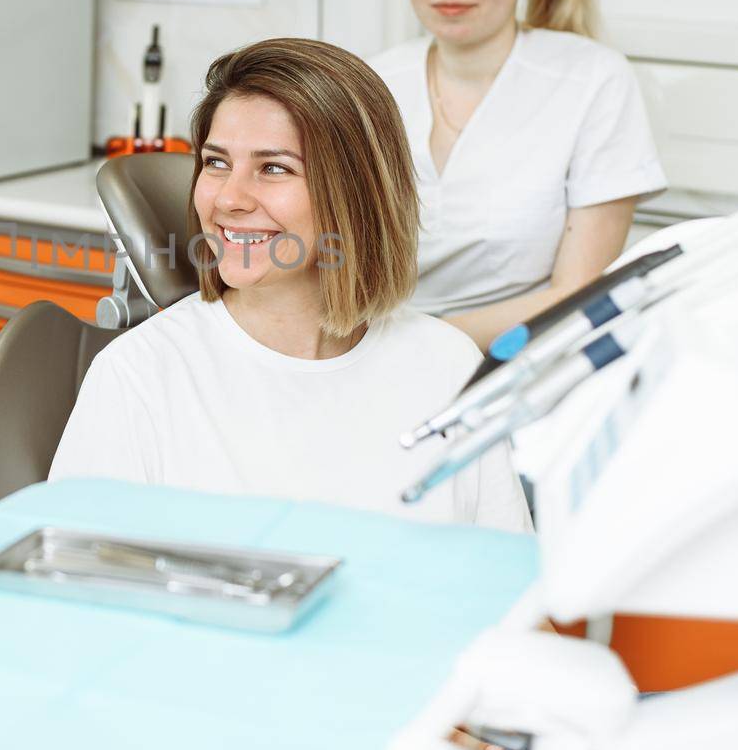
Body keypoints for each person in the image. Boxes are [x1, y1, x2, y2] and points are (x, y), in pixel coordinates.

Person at [50, 37, 531, 534]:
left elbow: (512, 594)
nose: (229, 199)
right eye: (216, 163)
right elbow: (66, 590)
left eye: (273, 168)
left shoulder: (447, 366)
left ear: (355, 192)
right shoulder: (141, 377)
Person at [370, 0, 668, 352]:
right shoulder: (372, 85)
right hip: (363, 358)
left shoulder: (592, 81)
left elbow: (577, 293)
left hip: (517, 365)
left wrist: (417, 347)